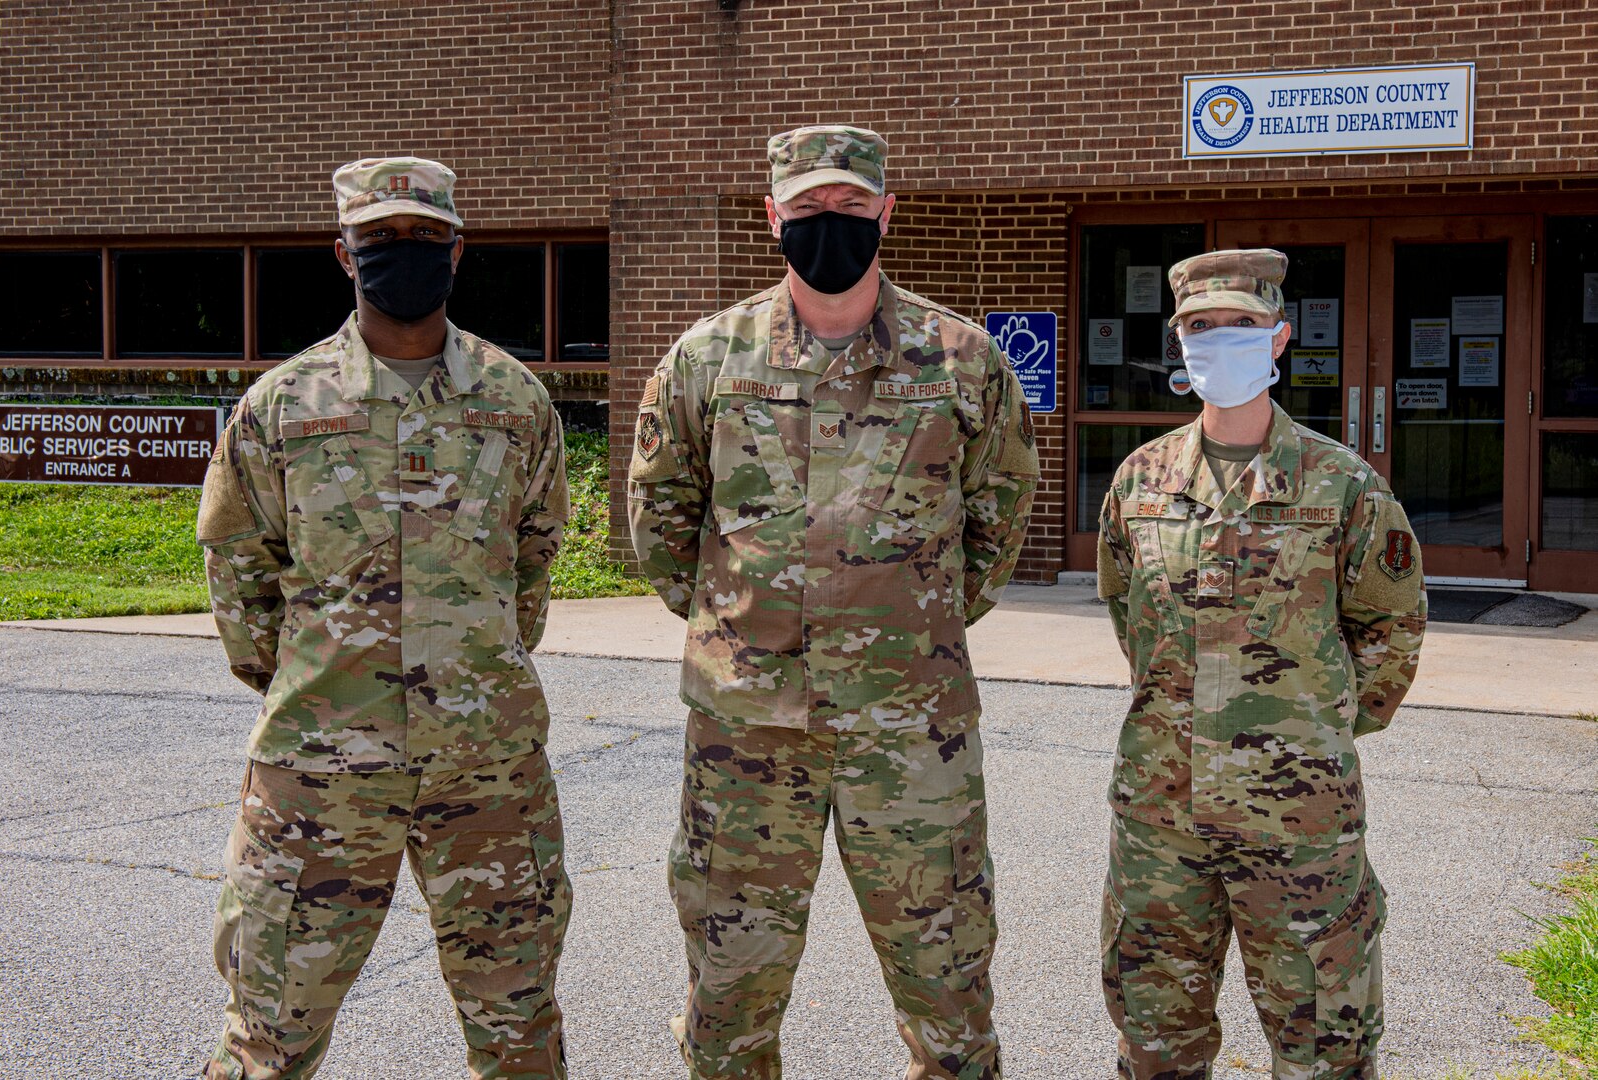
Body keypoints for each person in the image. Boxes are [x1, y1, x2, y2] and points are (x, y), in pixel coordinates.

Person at [627, 124, 1038, 1080]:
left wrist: (913, 625)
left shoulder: (961, 359)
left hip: (911, 729)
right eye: (809, 207)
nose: (829, 223)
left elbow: (1001, 513)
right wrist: (744, 626)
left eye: (850, 206)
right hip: (748, 736)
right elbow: (663, 523)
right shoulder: (706, 359)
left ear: (887, 212)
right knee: (730, 997)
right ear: (773, 217)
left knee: (948, 989)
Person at [195, 156, 572, 1080]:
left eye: (424, 238)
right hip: (321, 774)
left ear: (456, 251)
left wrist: (468, 661)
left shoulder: (515, 401)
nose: (403, 254)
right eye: (380, 240)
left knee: (518, 1028)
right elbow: (239, 566)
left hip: (486, 766)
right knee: (269, 1033)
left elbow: (533, 559)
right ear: (343, 253)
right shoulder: (281, 408)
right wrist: (316, 681)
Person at [1095, 248, 1428, 1078]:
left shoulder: (1343, 486)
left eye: (1239, 326)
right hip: (1161, 818)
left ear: (1278, 339)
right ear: (1179, 345)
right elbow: (1126, 612)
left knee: (1324, 1045)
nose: (1219, 341)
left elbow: (1393, 629)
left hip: (1300, 823)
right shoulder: (1139, 483)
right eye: (1199, 328)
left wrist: (1311, 729)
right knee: (1155, 1044)